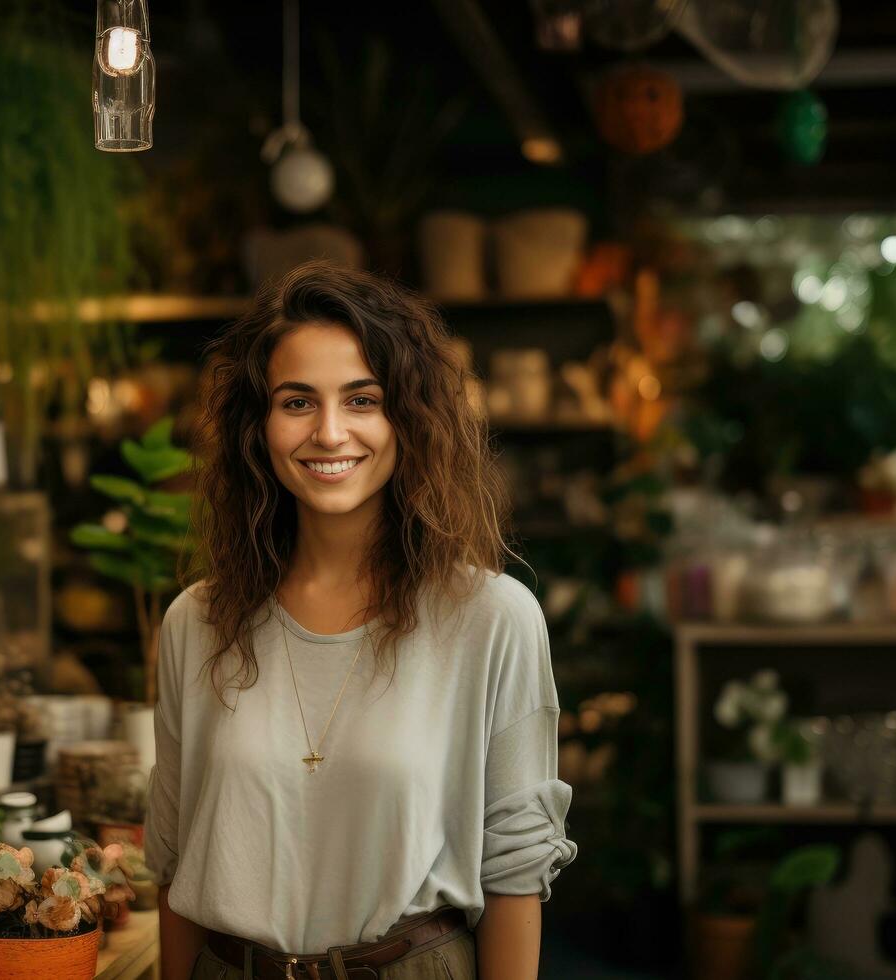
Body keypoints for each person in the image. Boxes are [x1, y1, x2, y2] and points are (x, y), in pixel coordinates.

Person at [144, 261, 578, 980]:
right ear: (259, 426)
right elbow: (174, 863)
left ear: (407, 416)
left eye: (362, 399)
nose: (330, 431)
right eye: (296, 402)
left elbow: (515, 878)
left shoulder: (493, 620)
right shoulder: (197, 622)